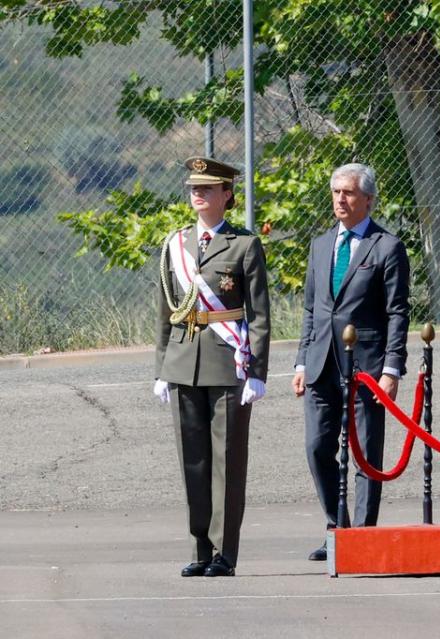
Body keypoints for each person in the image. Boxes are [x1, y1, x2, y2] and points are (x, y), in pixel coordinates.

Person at [154, 156, 271, 577]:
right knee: (194, 461)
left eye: (207, 188)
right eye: (193, 188)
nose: (197, 194)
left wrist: (256, 371)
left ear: (227, 194)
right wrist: (161, 368)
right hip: (184, 361)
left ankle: (224, 553)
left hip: (227, 362)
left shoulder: (244, 245)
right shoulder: (175, 244)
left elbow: (258, 314)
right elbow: (166, 310)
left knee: (226, 460)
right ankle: (200, 548)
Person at [292, 163, 410, 561]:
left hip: (367, 367)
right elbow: (311, 309)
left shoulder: (386, 246)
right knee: (317, 446)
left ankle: (361, 537)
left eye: (349, 193)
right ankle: (336, 528)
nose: (340, 199)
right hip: (322, 361)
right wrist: (300, 362)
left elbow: (397, 311)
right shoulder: (321, 245)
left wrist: (392, 367)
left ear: (369, 200)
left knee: (364, 453)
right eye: (336, 192)